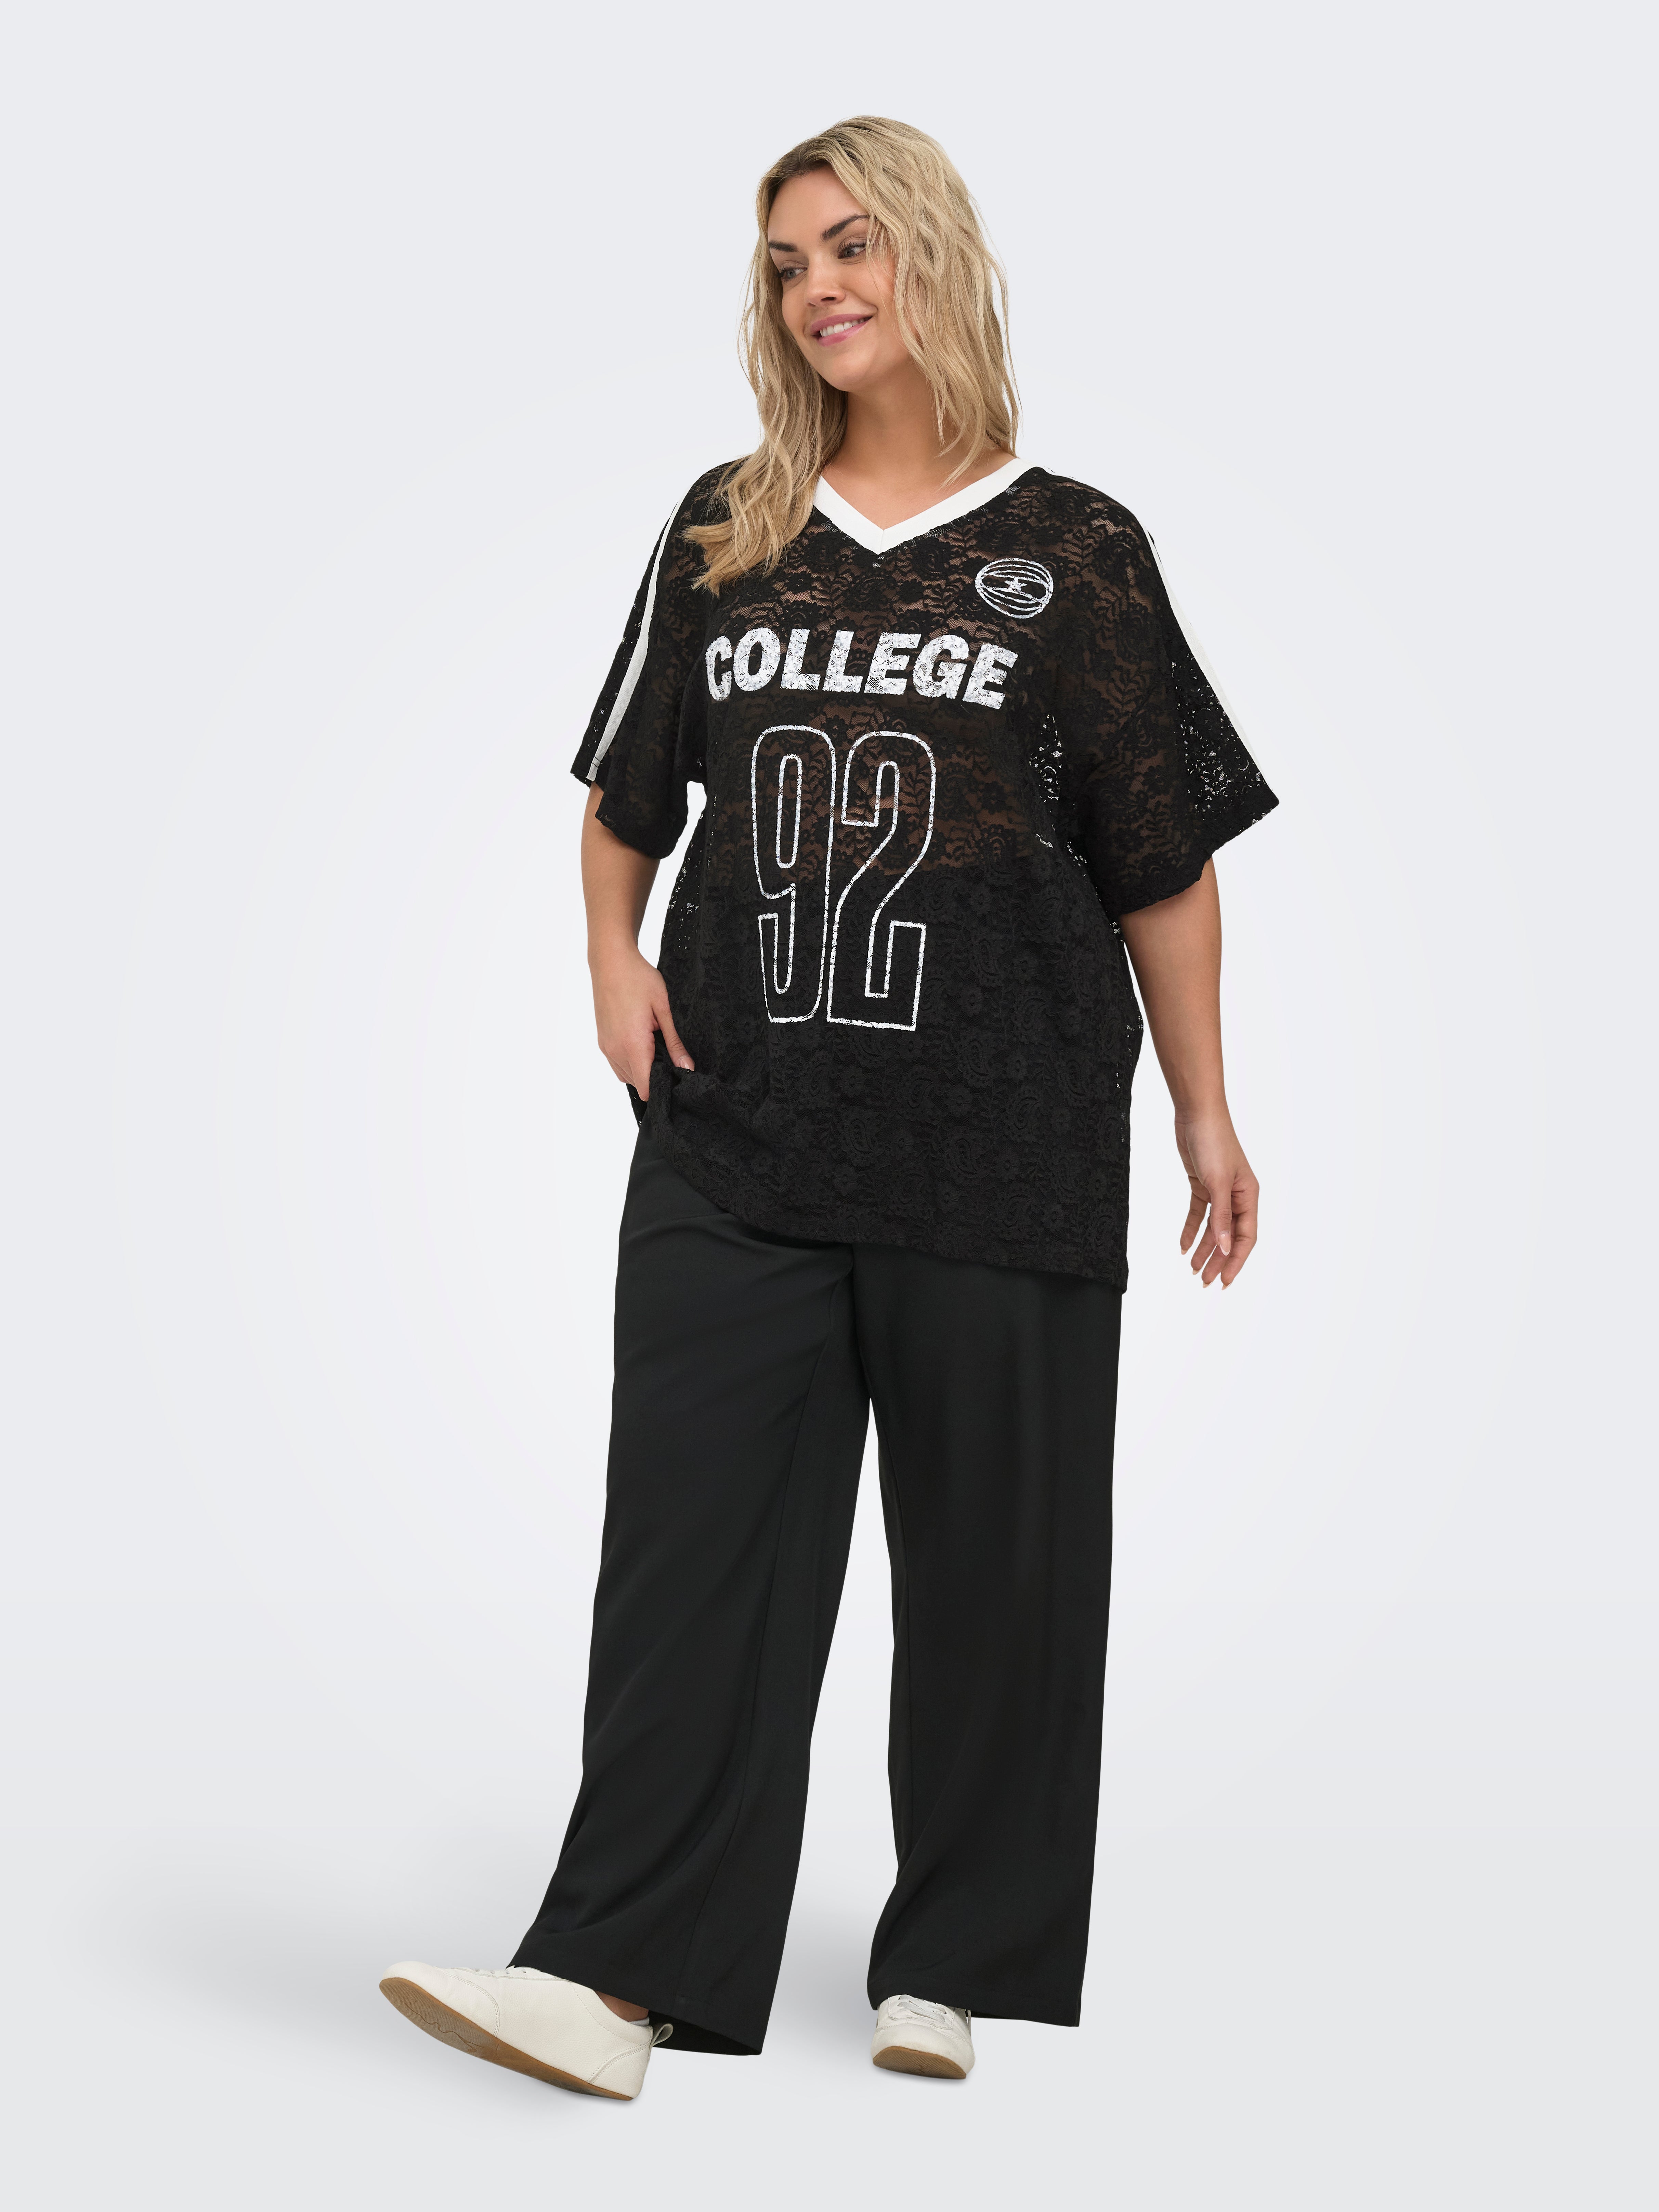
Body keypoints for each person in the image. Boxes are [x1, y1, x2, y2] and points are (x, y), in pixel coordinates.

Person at [380, 114, 1276, 2100]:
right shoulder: (728, 525)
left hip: (1007, 1138)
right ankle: (612, 1977)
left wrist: (1206, 1112)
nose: (819, 290)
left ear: (933, 256)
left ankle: (948, 1963)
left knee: (996, 1574)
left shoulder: (1078, 549)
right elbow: (626, 795)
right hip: (741, 1131)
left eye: (852, 246)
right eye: (788, 262)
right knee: (690, 1561)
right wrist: (610, 960)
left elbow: (1164, 864)